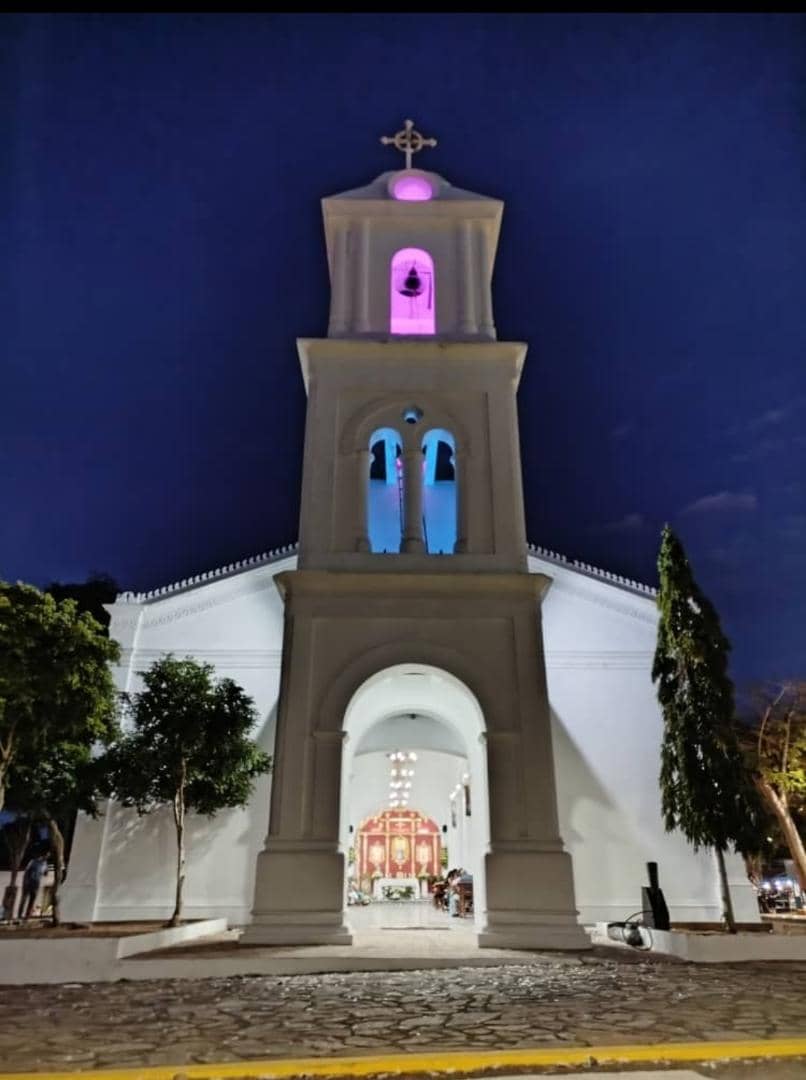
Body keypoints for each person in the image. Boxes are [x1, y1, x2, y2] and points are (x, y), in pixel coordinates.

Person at [18, 853, 48, 920]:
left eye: (48, 856)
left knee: (32, 900)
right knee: (24, 899)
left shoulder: (45, 864)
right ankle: (19, 915)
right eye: (46, 855)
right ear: (42, 855)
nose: (47, 857)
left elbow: (45, 872)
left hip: (36, 884)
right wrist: (25, 882)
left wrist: (45, 872)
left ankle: (27, 916)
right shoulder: (33, 861)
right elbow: (27, 872)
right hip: (28, 883)